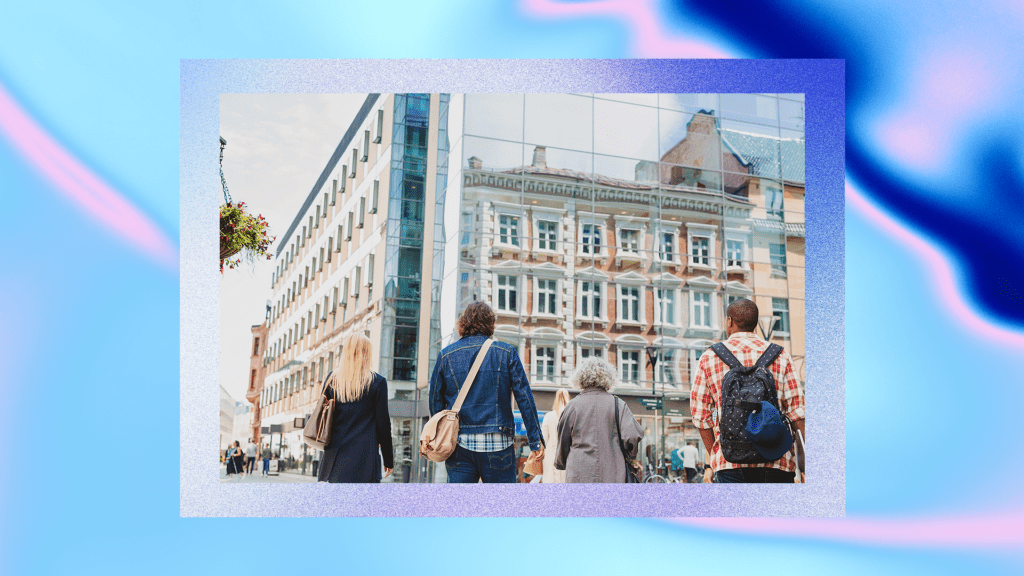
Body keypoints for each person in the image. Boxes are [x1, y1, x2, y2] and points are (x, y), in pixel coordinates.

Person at [691, 298, 805, 483]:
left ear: (729, 321)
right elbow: (797, 414)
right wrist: (805, 465)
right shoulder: (781, 355)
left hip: (730, 465)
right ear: (756, 324)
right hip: (777, 462)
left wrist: (716, 456)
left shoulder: (709, 357)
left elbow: (701, 417)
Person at [428, 301, 544, 483]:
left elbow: (435, 401)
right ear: (491, 324)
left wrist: (440, 434)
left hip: (460, 444)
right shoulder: (506, 352)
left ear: (463, 323)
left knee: (460, 508)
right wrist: (535, 440)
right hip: (498, 444)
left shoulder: (446, 355)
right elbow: (524, 398)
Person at [317, 334, 394, 483]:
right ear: (367, 353)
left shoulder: (332, 379)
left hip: (335, 457)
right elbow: (383, 425)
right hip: (365, 458)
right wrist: (388, 460)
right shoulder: (377, 382)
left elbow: (323, 414)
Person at [554, 357, 644, 483]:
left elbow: (563, 440)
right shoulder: (619, 405)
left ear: (581, 377)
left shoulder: (573, 406)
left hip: (579, 475)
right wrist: (630, 457)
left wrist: (561, 462)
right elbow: (632, 436)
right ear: (608, 378)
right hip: (613, 474)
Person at [540, 389, 570, 483]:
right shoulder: (571, 416)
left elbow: (543, 439)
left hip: (550, 453)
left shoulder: (548, 416)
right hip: (568, 454)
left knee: (550, 481)